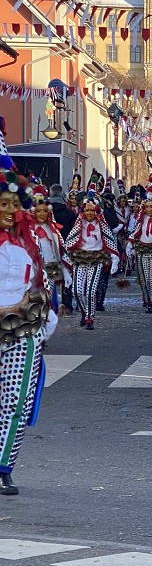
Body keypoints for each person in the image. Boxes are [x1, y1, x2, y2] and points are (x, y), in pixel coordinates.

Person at [0, 171, 57, 495]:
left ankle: (3, 466)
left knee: (15, 402)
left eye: (13, 204)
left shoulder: (29, 241)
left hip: (23, 332)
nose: (9, 210)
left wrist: (42, 317)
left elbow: (42, 284)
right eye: (2, 204)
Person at [63, 196, 119, 330]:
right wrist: (66, 265)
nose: (89, 213)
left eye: (92, 211)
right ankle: (84, 311)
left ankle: (90, 318)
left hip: (96, 260)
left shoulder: (102, 224)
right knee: (77, 291)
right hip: (80, 260)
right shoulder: (79, 224)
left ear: (97, 211)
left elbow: (110, 241)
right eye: (87, 210)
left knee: (91, 291)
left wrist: (114, 259)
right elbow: (69, 242)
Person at [29, 196, 67, 314]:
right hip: (33, 270)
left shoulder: (53, 229)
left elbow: (61, 249)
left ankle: (48, 320)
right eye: (38, 211)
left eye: (45, 211)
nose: (41, 214)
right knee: (34, 299)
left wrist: (66, 270)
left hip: (50, 267)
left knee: (48, 298)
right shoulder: (28, 229)